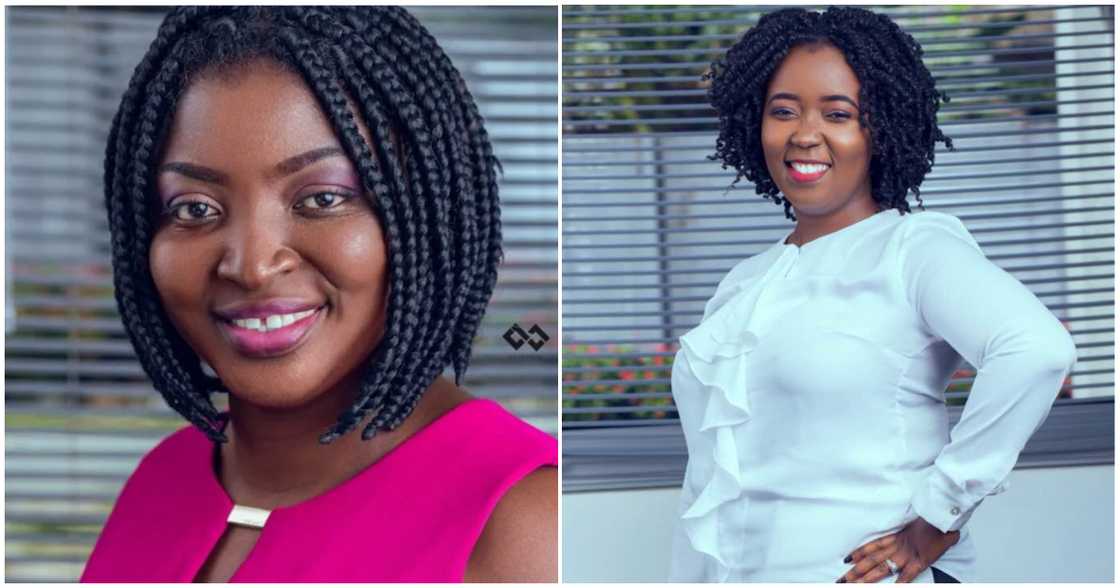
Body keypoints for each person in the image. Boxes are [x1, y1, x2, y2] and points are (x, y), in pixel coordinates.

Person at [80, 7, 557, 582]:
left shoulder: (523, 517)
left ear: (430, 218)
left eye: (323, 199)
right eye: (194, 209)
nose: (252, 266)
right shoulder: (164, 477)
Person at [669, 7, 1076, 583]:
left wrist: (939, 515)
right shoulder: (746, 283)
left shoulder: (913, 249)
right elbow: (709, 478)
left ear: (882, 128)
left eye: (839, 114)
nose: (804, 134)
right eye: (782, 111)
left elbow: (1035, 349)